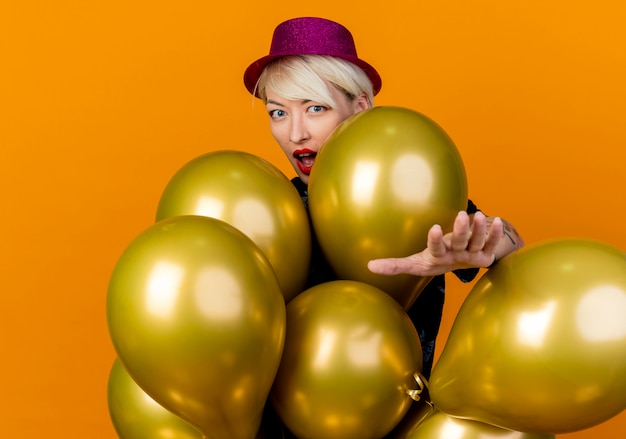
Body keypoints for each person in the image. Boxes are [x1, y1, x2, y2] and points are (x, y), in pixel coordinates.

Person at [244, 17, 524, 437]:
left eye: (315, 108)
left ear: (359, 108)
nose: (295, 132)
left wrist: (493, 247)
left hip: (399, 424)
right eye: (278, 112)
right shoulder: (268, 211)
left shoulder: (419, 201)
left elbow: (507, 244)